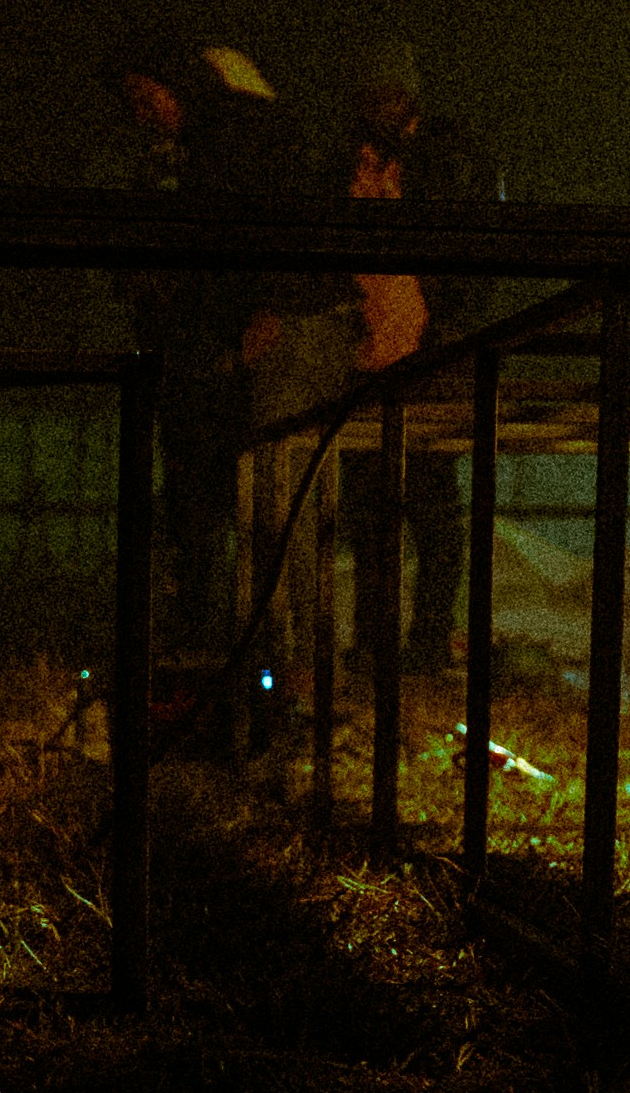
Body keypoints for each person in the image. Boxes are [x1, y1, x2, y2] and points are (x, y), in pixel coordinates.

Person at [104, 38, 357, 637]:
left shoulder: (231, 144)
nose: (143, 114)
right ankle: (262, 640)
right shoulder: (199, 151)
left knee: (271, 494)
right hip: (234, 338)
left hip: (267, 333)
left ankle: (281, 643)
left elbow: (242, 244)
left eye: (148, 98)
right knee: (254, 495)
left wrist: (258, 308)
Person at [339, 43, 501, 673]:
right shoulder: (365, 156)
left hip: (424, 347)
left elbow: (469, 250)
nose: (374, 106)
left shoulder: (439, 155)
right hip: (373, 349)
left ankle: (424, 641)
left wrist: (450, 325)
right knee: (375, 512)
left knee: (430, 508)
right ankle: (385, 642)